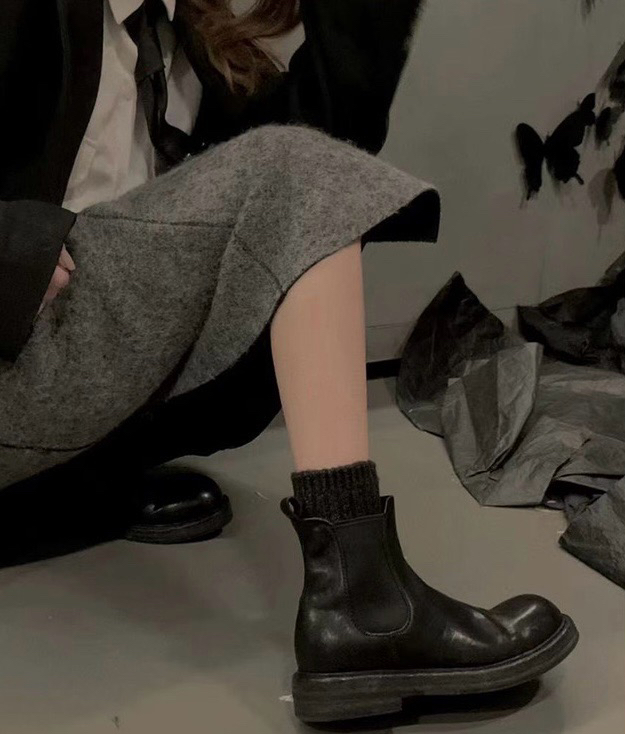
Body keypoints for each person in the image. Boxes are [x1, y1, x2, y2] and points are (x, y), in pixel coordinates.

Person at [0, 0, 578, 723]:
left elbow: (317, 195)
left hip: (49, 378)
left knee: (300, 191)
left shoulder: (189, 46)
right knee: (296, 172)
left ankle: (65, 491)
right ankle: (364, 609)